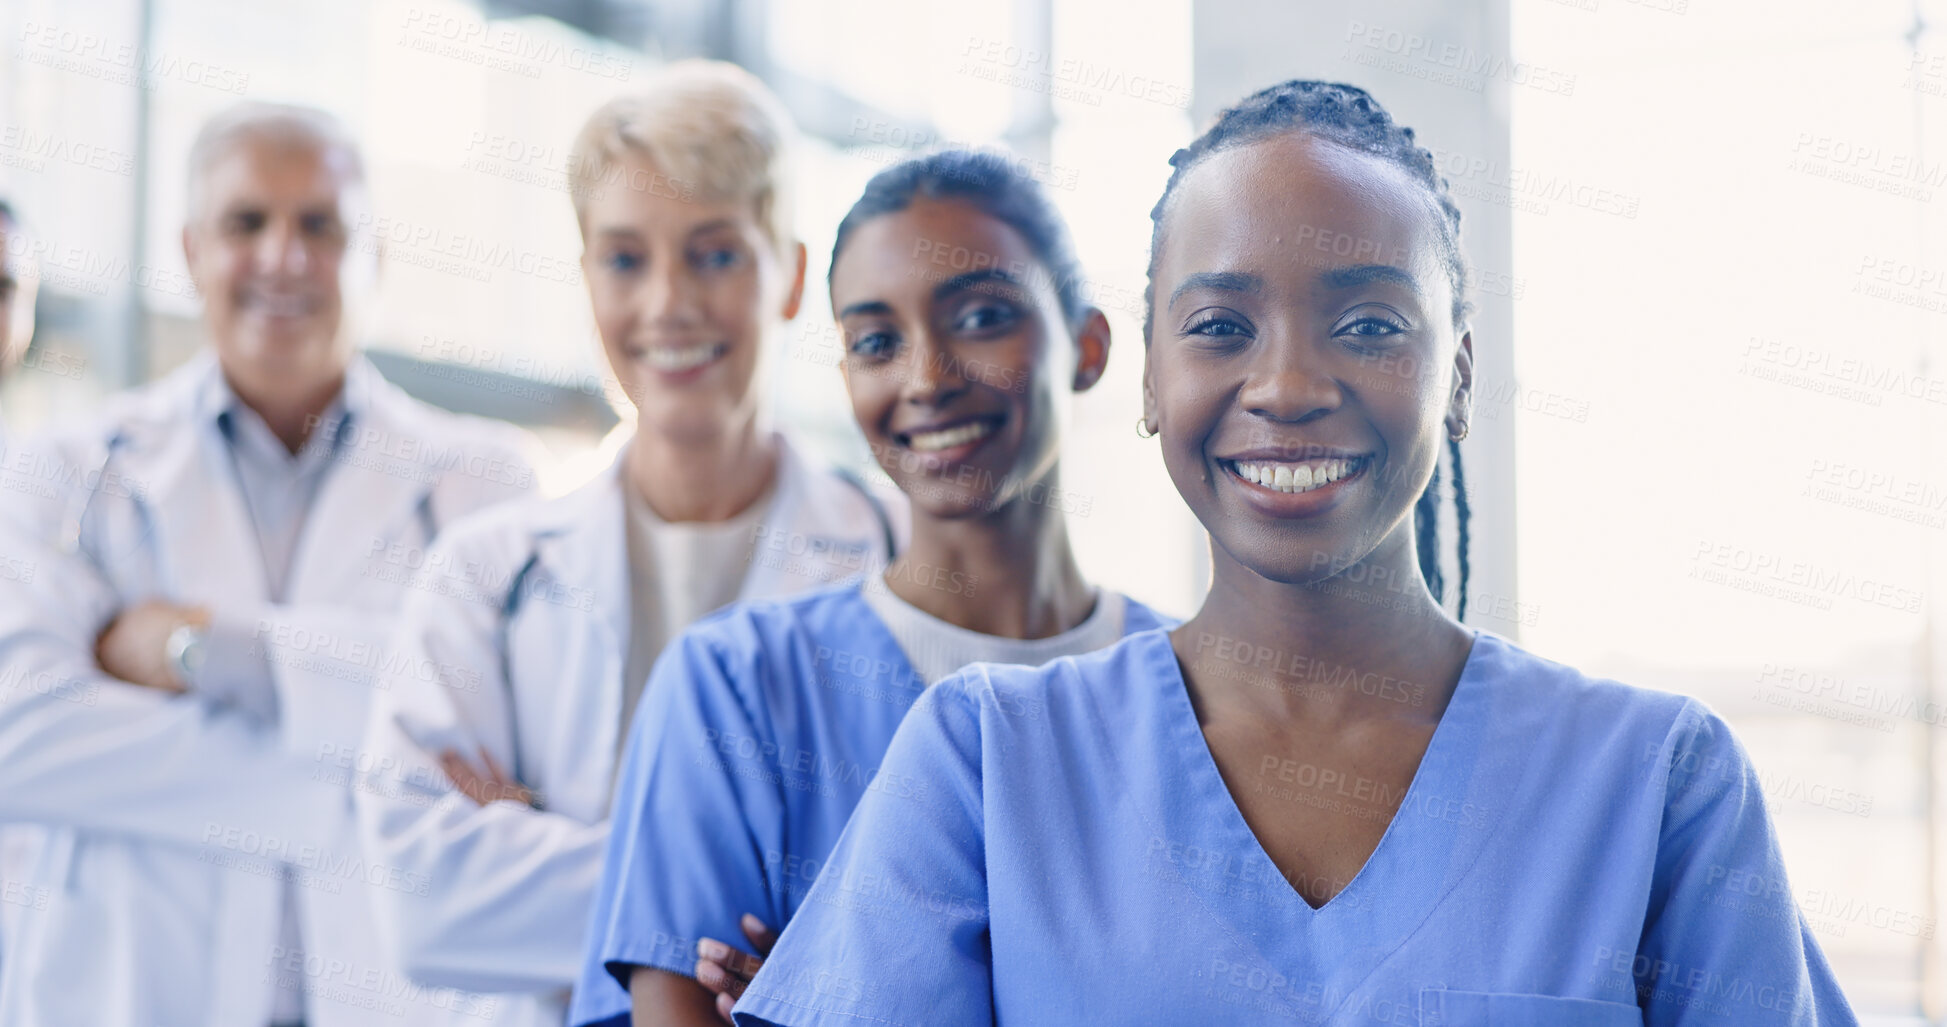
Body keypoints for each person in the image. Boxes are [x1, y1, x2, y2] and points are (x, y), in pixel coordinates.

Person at [731, 82, 1859, 1026]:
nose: (1287, 387)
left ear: (1458, 375)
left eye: (1368, 323)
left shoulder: (1654, 783)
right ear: (1147, 379)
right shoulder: (984, 765)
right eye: (1220, 326)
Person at [352, 60, 906, 1027]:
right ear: (584, 278)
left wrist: (546, 845)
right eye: (623, 259)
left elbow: (915, 894)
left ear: (790, 277)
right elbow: (422, 902)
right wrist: (764, 877)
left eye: (715, 253)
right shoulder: (487, 573)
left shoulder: (894, 556)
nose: (666, 303)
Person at [571, 149, 1174, 1027]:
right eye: (876, 342)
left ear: (1087, 346)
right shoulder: (736, 686)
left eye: (980, 317)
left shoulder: (1205, 693)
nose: (926, 377)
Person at [0, 102, 538, 1026]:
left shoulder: (481, 482)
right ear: (190, 249)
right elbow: (20, 737)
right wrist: (374, 780)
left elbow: (513, 730)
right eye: (247, 222)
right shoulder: (69, 473)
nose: (284, 256)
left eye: (320, 225)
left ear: (375, 256)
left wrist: (203, 651)